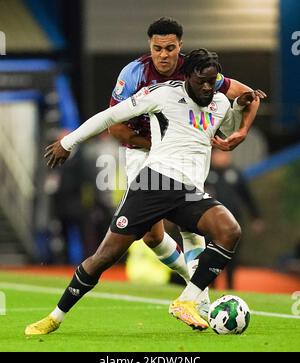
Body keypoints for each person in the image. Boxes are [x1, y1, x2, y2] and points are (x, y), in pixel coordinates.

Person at [25, 48, 265, 335]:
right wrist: (69, 142)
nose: (206, 87)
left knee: (230, 231)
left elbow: (230, 125)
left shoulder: (218, 103)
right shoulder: (161, 94)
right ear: (187, 76)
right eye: (201, 80)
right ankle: (55, 316)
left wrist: (240, 109)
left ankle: (188, 301)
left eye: (212, 81)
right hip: (153, 185)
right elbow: (109, 117)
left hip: (188, 192)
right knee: (104, 257)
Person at [108, 17, 266, 301]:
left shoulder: (196, 70)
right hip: (141, 152)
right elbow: (115, 127)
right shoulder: (133, 73)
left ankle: (196, 298)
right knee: (152, 237)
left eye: (170, 48)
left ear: (179, 46)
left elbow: (248, 95)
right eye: (158, 48)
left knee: (190, 223)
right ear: (150, 46)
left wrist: (241, 131)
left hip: (183, 155)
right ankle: (190, 280)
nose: (163, 54)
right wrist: (157, 145)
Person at [205, 148, 264, 288]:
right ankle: (210, 285)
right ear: (213, 156)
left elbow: (247, 197)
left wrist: (256, 217)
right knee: (211, 255)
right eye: (219, 154)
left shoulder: (236, 173)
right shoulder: (206, 174)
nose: (223, 157)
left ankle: (230, 286)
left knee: (232, 256)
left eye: (225, 154)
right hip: (212, 225)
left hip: (234, 224)